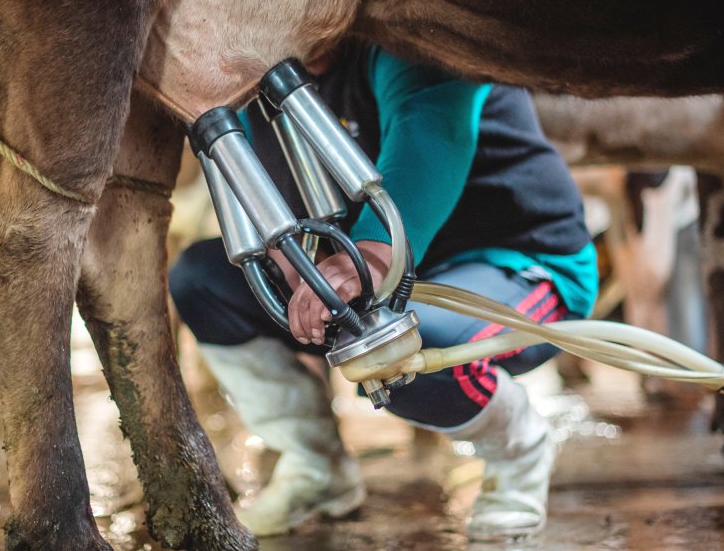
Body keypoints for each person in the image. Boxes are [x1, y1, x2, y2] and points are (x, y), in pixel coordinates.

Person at [169, 40, 597, 542]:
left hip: (520, 264)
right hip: (384, 284)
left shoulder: (411, 36)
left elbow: (432, 128)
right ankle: (315, 466)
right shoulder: (255, 77)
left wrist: (369, 256)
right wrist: (288, 260)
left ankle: (519, 449)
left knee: (397, 345)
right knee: (202, 279)